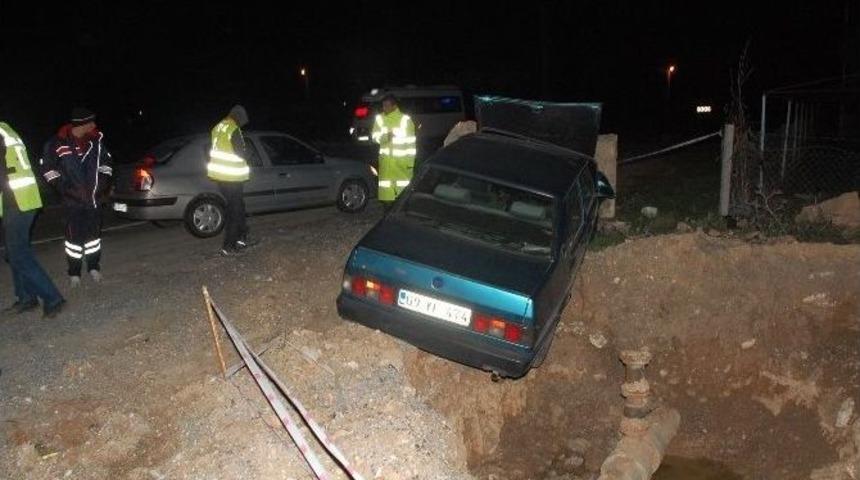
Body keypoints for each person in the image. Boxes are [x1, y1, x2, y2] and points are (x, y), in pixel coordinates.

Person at [41, 108, 113, 287]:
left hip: (93, 200)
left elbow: (107, 163)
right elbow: (47, 170)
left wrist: (102, 183)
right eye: (91, 122)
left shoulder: (96, 141)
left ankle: (93, 267)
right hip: (71, 202)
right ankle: (74, 273)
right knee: (73, 241)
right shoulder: (56, 143)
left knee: (94, 238)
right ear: (82, 124)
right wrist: (64, 187)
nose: (95, 125)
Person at [0, 121, 65, 317]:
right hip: (20, 199)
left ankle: (53, 298)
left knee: (18, 254)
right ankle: (26, 297)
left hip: (16, 201)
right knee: (15, 252)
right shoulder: (5, 128)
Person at [206, 105, 258, 256]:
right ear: (239, 117)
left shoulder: (218, 127)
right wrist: (250, 155)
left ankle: (241, 239)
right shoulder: (233, 128)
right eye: (242, 121)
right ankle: (229, 246)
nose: (242, 124)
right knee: (235, 211)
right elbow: (241, 152)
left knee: (239, 207)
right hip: (232, 176)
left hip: (221, 177)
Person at [371, 94, 416, 205]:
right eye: (383, 106)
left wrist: (410, 164)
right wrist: (386, 137)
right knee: (387, 199)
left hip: (401, 166)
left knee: (402, 198)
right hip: (386, 165)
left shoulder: (405, 120)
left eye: (387, 105)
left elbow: (411, 145)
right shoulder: (379, 119)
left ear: (394, 106)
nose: (384, 108)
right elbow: (374, 137)